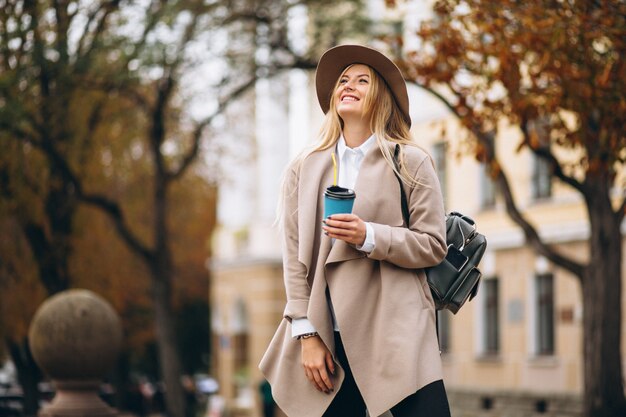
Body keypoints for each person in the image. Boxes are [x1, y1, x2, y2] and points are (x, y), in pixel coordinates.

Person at [259, 44, 451, 417]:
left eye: (363, 80)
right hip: (329, 335)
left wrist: (370, 236)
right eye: (344, 80)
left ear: (381, 96)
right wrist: (308, 335)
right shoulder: (306, 166)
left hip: (397, 327)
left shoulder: (410, 160)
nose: (349, 85)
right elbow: (296, 261)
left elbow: (432, 245)